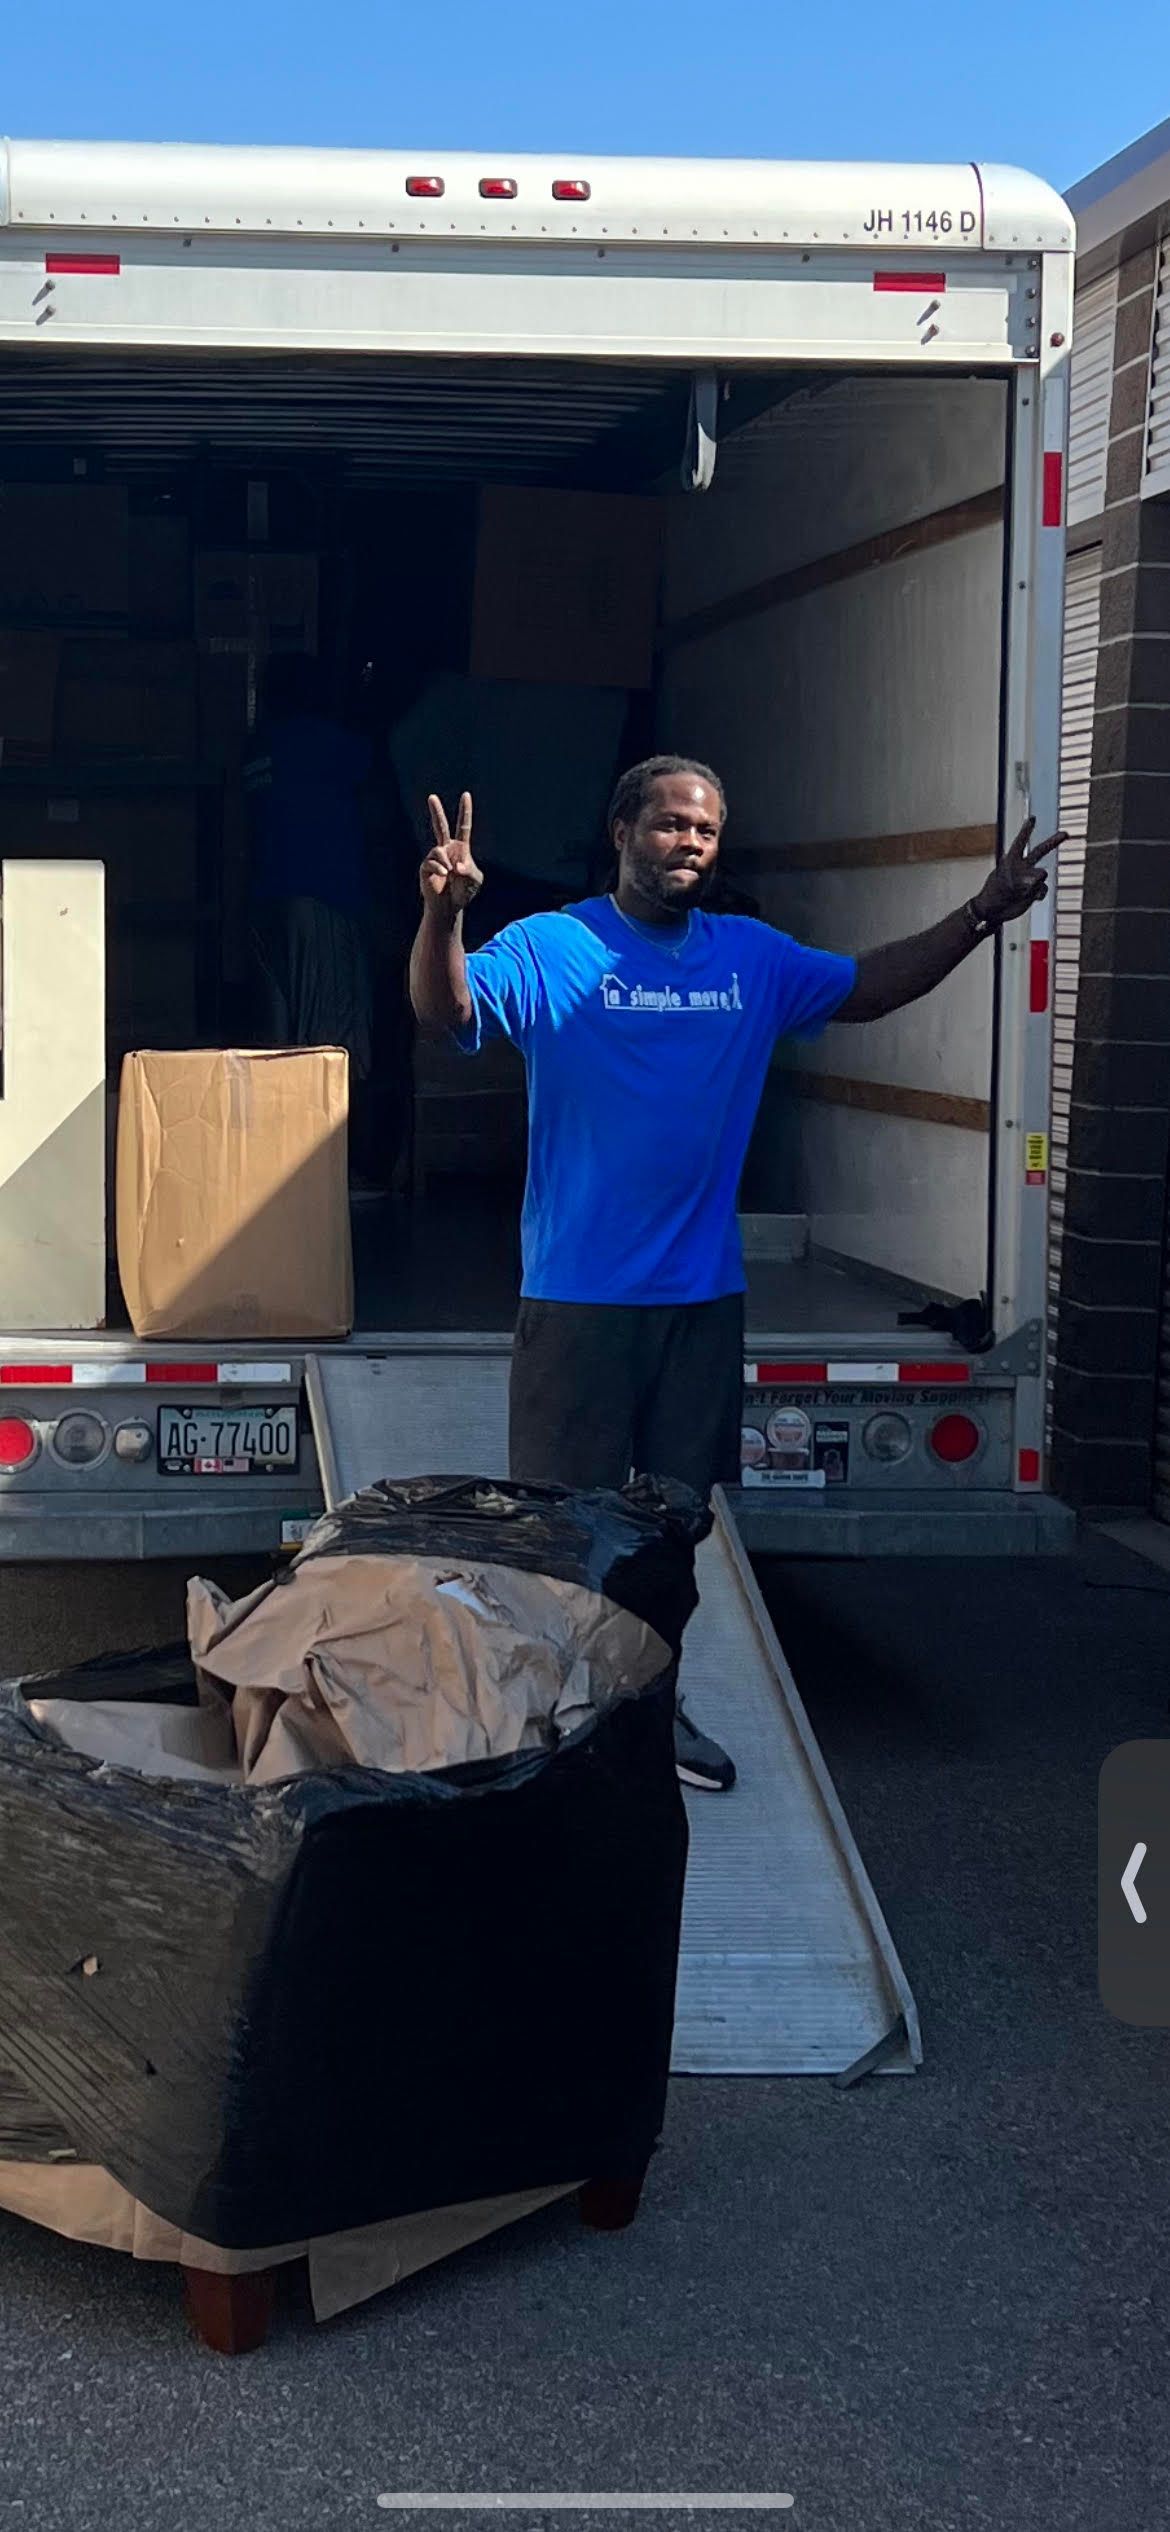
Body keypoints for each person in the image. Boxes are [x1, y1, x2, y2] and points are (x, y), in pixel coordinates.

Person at [409, 756, 1062, 1792]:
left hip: (701, 1304)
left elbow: (869, 986)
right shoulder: (553, 946)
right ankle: (549, 1716)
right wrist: (444, 915)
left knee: (672, 1530)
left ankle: (650, 1711)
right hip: (579, 1302)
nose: (690, 845)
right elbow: (445, 1011)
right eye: (670, 825)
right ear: (621, 831)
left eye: (706, 831)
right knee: (560, 1525)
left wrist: (983, 914)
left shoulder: (750, 960)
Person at [245, 654, 377, 1152]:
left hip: (267, 902)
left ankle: (276, 1151)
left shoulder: (259, 748)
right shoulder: (329, 744)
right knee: (329, 1041)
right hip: (322, 899)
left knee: (278, 1037)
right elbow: (381, 777)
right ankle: (326, 1160)